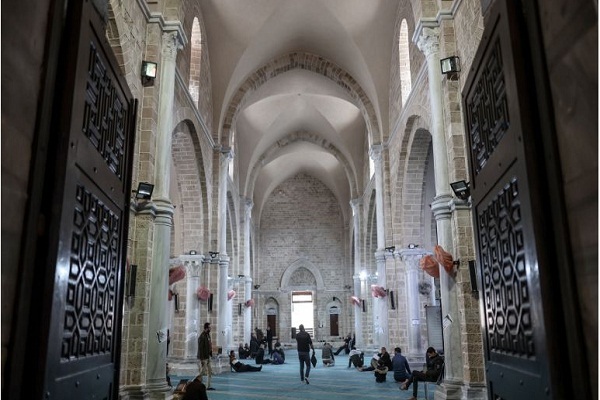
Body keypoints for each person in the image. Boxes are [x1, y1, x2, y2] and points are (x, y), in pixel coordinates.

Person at [197, 322, 215, 391]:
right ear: (206, 328)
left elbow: (209, 345)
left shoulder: (208, 335)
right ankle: (195, 383)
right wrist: (201, 359)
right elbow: (200, 348)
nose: (210, 328)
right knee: (202, 372)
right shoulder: (202, 336)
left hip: (208, 356)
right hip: (204, 357)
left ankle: (208, 386)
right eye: (209, 327)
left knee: (209, 371)